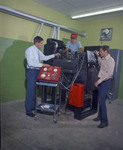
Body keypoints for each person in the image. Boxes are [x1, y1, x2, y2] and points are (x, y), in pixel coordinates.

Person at [25, 36, 60, 117]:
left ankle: (34, 107)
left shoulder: (37, 50)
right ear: (36, 43)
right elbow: (31, 63)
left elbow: (44, 57)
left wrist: (54, 55)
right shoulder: (30, 50)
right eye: (41, 43)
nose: (42, 45)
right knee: (30, 91)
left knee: (35, 90)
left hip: (37, 71)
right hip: (32, 71)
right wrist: (43, 64)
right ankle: (28, 110)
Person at [94, 45, 115, 128]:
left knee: (101, 101)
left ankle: (105, 121)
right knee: (101, 100)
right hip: (101, 82)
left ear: (106, 51)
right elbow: (100, 63)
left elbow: (109, 74)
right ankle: (99, 116)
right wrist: (98, 56)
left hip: (105, 82)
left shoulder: (111, 60)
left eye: (101, 51)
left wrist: (98, 81)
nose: (100, 52)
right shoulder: (103, 59)